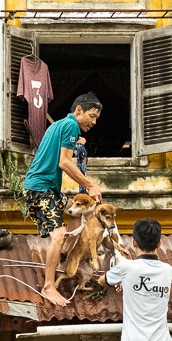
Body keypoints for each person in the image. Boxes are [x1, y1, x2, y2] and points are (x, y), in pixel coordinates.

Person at [21, 92, 103, 306]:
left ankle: (63, 257)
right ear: (78, 111)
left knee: (83, 211)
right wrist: (90, 184)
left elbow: (59, 152)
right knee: (58, 235)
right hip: (41, 190)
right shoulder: (71, 126)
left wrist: (76, 145)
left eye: (96, 119)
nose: (94, 122)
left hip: (50, 190)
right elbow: (64, 163)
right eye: (92, 116)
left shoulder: (60, 126)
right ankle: (49, 286)